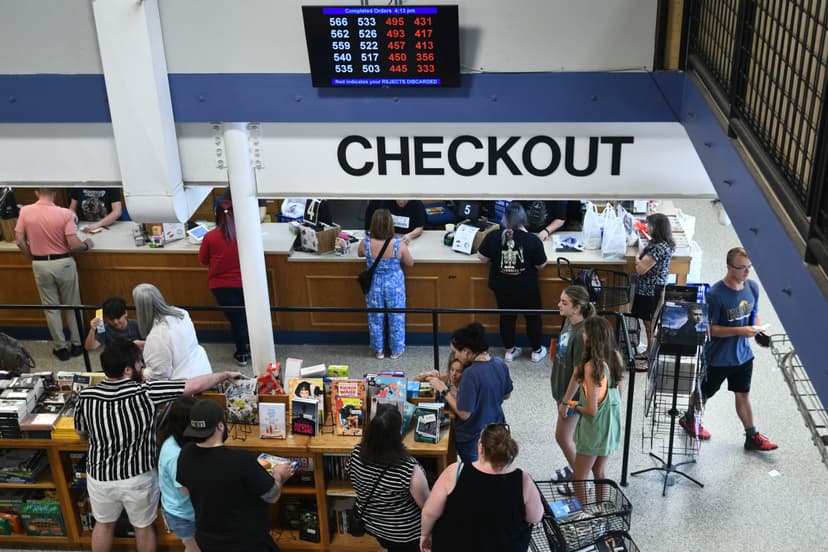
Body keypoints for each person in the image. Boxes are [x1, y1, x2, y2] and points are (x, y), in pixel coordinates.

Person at [73, 338, 241, 552]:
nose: (141, 366)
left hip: (99, 476)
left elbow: (80, 430)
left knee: (103, 524)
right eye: (138, 363)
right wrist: (224, 375)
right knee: (143, 527)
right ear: (127, 370)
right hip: (137, 476)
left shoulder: (86, 395)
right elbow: (193, 385)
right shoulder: (145, 393)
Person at [679, 247, 778, 451]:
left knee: (743, 394)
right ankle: (689, 418)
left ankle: (752, 435)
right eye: (741, 267)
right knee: (704, 392)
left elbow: (754, 314)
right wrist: (740, 330)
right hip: (718, 358)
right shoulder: (716, 295)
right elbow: (709, 329)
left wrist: (758, 330)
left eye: (749, 267)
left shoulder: (752, 287)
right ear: (729, 267)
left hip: (743, 356)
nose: (747, 272)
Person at [177, 398, 295, 551]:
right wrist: (279, 475)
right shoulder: (242, 460)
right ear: (220, 426)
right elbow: (272, 495)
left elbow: (185, 490)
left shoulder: (186, 454)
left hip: (208, 542)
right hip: (249, 543)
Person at [419, 423, 543, 552]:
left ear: (480, 448)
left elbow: (430, 512)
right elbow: (535, 517)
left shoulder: (455, 472)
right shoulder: (523, 480)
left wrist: (425, 535)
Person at [14, 187, 94, 361]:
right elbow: (73, 243)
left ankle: (61, 348)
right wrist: (86, 245)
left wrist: (33, 257)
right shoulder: (65, 214)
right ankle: (77, 344)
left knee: (51, 308)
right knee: (72, 304)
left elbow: (19, 240)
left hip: (40, 264)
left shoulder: (25, 211)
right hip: (64, 262)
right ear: (55, 193)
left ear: (36, 192)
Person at [558, 316, 623, 504]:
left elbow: (592, 409)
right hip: (611, 424)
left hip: (594, 429)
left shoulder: (591, 366)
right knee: (599, 471)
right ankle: (601, 511)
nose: (583, 334)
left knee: (579, 476)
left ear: (590, 337)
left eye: (586, 332)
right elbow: (618, 392)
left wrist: (573, 405)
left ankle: (585, 515)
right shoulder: (614, 357)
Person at [348, 404, 430, 552]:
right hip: (406, 534)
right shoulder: (409, 468)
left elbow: (354, 481)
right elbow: (428, 507)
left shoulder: (356, 453)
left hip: (373, 524)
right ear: (398, 433)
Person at [478, 201, 548, 363]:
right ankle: (536, 351)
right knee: (533, 318)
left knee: (507, 317)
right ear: (524, 219)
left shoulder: (494, 236)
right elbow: (541, 264)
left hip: (502, 286)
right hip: (527, 287)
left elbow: (482, 258)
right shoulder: (532, 240)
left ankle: (509, 351)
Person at [440, 322, 513, 463]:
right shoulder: (499, 363)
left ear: (466, 351)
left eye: (456, 352)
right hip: (496, 432)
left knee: (477, 471)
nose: (455, 356)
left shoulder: (470, 374)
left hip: (473, 438)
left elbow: (464, 413)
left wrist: (444, 390)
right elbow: (506, 395)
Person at [549, 285, 596, 484]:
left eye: (564, 302)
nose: (559, 304)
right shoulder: (569, 323)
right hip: (561, 391)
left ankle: (579, 479)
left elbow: (578, 374)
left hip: (572, 398)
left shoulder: (582, 333)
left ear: (577, 308)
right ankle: (575, 468)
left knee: (562, 437)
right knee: (572, 437)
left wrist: (566, 401)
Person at [198, 198, 250, 366]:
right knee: (245, 317)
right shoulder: (244, 233)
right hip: (245, 283)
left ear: (216, 214)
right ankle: (250, 348)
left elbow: (203, 260)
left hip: (221, 286)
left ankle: (242, 353)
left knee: (236, 319)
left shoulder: (210, 237)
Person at [358, 208, 414, 359]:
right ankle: (396, 350)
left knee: (375, 318)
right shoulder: (398, 245)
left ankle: (378, 350)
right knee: (396, 317)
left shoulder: (366, 243)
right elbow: (410, 263)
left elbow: (359, 253)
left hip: (374, 286)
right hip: (394, 285)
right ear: (390, 224)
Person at [133, 283, 211, 380]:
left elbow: (159, 374)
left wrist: (140, 372)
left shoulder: (156, 335)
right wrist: (147, 345)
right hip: (202, 369)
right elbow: (177, 344)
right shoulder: (181, 313)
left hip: (185, 382)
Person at [631, 212, 675, 365]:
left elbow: (641, 269)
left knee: (651, 323)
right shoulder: (660, 244)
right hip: (649, 289)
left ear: (657, 228)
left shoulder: (659, 248)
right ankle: (649, 350)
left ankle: (651, 354)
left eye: (650, 225)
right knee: (648, 322)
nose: (647, 228)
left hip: (651, 291)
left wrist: (637, 256)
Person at [157, 396, 200, 552]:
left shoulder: (178, 439)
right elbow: (187, 490)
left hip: (186, 511)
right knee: (194, 548)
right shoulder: (175, 455)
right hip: (183, 515)